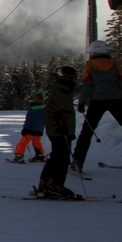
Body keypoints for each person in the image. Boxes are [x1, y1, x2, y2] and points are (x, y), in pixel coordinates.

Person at [71, 40, 122, 173]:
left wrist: (81, 103)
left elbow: (87, 85)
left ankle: (77, 162)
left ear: (92, 52)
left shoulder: (90, 65)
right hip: (117, 100)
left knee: (86, 133)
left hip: (97, 102)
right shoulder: (116, 64)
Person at [37, 66, 79, 198]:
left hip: (59, 130)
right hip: (60, 131)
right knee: (63, 158)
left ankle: (45, 182)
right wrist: (60, 126)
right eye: (73, 78)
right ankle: (55, 184)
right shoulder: (61, 92)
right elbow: (53, 112)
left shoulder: (62, 91)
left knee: (56, 156)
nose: (75, 81)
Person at [11, 89, 47, 163]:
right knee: (37, 142)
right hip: (39, 130)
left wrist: (25, 129)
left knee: (23, 142)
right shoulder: (44, 109)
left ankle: (19, 156)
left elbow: (29, 120)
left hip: (30, 130)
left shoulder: (32, 109)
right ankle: (40, 155)